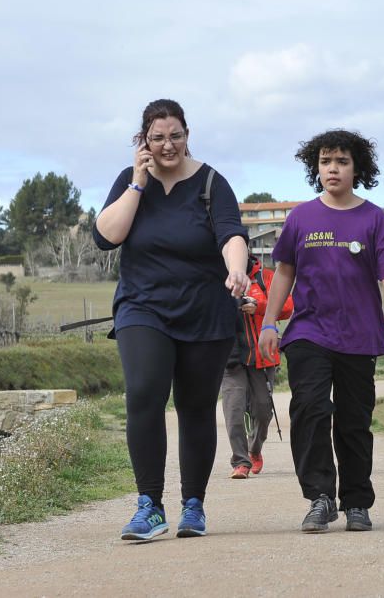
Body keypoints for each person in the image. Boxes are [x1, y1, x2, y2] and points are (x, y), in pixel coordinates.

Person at [93, 98, 250, 542]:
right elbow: (107, 236)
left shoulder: (211, 182)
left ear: (187, 135)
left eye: (175, 136)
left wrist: (236, 268)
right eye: (157, 138)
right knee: (143, 393)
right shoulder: (129, 181)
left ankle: (193, 505)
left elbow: (231, 233)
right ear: (143, 140)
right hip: (142, 306)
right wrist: (138, 182)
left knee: (196, 407)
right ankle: (149, 505)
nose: (168, 145)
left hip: (205, 309)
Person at [259, 129, 384, 534]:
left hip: (359, 336)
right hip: (309, 331)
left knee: (353, 421)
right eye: (326, 161)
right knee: (309, 408)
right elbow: (284, 273)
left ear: (356, 168)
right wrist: (269, 322)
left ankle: (357, 502)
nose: (333, 168)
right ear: (316, 168)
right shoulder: (301, 218)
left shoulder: (375, 219)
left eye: (342, 161)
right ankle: (320, 497)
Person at [221, 255, 293, 479]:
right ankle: (240, 461)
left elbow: (288, 307)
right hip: (230, 358)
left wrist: (259, 306)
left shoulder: (265, 277)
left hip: (262, 357)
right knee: (233, 410)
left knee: (262, 409)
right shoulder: (216, 278)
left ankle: (254, 450)